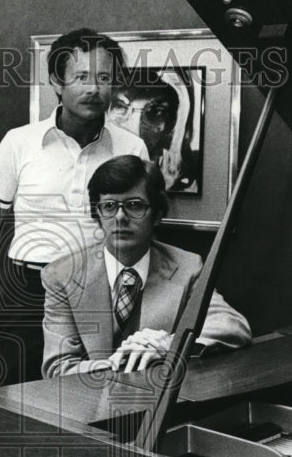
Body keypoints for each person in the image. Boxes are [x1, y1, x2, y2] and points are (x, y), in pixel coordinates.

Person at [0, 28, 148, 385]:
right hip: (27, 294)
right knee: (21, 400)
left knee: (97, 399)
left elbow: (142, 231)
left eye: (104, 78)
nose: (94, 89)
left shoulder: (133, 148)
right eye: (81, 77)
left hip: (102, 293)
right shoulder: (19, 142)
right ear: (56, 81)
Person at [41, 155, 250, 378]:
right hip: (90, 403)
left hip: (162, 401)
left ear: (158, 215)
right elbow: (58, 368)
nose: (120, 217)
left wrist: (166, 345)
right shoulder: (62, 275)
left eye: (134, 206)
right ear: (98, 215)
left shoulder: (187, 266)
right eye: (109, 206)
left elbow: (233, 326)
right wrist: (121, 362)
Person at [108, 69, 200, 193]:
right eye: (120, 107)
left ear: (175, 120)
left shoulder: (197, 174)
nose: (135, 131)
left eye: (157, 112)